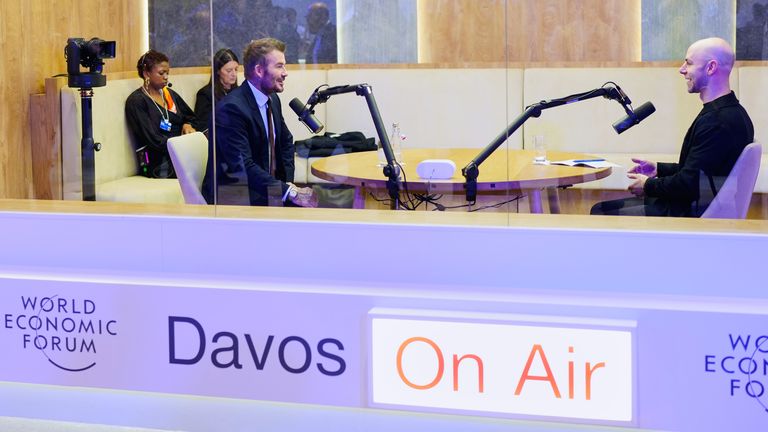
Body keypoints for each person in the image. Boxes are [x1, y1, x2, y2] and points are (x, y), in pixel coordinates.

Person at [591, 37, 754, 217]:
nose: (682, 70)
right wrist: (658, 169)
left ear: (711, 68)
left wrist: (648, 185)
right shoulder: (733, 113)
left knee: (600, 212)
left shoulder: (717, 122)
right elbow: (702, 171)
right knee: (602, 209)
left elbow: (690, 183)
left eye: (689, 63)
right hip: (691, 205)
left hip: (686, 213)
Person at [216, 38, 317, 207]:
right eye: (279, 66)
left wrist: (287, 184)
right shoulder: (232, 108)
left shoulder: (273, 99)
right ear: (259, 71)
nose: (285, 72)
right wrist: (288, 192)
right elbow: (243, 166)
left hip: (265, 189)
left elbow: (285, 143)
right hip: (238, 195)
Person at [125, 50, 196, 178]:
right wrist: (182, 147)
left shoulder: (168, 94)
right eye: (161, 73)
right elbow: (153, 140)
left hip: (181, 153)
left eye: (167, 73)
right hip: (158, 162)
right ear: (146, 73)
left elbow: (191, 116)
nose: (166, 77)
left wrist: (187, 124)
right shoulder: (137, 101)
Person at [195, 48, 241, 201]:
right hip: (219, 153)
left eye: (236, 69)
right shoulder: (206, 94)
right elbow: (203, 129)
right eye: (229, 70)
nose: (234, 74)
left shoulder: (240, 93)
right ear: (217, 71)